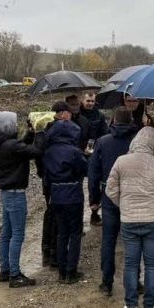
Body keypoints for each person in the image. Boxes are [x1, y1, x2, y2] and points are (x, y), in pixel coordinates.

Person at [106, 127, 154, 308]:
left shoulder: (121, 161)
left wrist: (123, 204)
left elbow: (110, 189)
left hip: (129, 219)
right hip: (153, 219)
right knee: (152, 263)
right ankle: (148, 307)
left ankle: (130, 307)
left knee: (130, 264)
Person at [88, 107, 141, 296]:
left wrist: (94, 199)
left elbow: (93, 172)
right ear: (131, 121)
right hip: (133, 196)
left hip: (109, 195)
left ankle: (107, 282)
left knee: (109, 240)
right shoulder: (136, 142)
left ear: (113, 121)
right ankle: (135, 280)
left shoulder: (103, 142)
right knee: (133, 240)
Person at [0, 111, 44, 287]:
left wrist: (30, 133)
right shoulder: (11, 146)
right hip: (15, 193)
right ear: (9, 126)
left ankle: (5, 270)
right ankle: (15, 274)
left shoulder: (0, 143)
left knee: (6, 234)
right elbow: (36, 151)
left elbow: (21, 147)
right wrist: (41, 133)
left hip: (6, 192)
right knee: (18, 234)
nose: (16, 125)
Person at [42, 101, 89, 284]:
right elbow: (84, 170)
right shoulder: (74, 151)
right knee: (75, 233)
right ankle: (71, 270)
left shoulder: (49, 151)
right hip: (73, 194)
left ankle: (61, 270)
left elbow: (46, 174)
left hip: (56, 195)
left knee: (61, 232)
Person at [82, 92, 108, 226]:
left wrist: (99, 146)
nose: (90, 103)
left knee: (94, 184)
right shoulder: (77, 115)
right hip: (80, 154)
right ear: (83, 100)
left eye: (92, 101)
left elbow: (105, 133)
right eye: (88, 101)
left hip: (96, 154)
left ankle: (94, 213)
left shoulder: (99, 115)